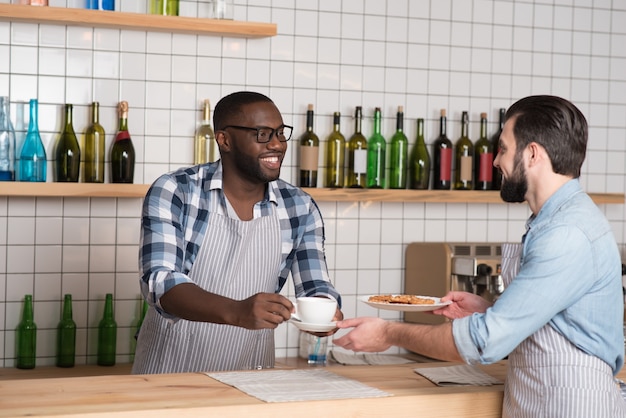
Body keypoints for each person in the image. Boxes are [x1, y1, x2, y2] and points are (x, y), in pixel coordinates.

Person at [334, 95, 626, 417]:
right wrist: (491, 311)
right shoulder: (555, 222)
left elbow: (486, 342)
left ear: (531, 154)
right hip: (544, 400)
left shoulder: (567, 233)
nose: (496, 161)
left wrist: (388, 333)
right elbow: (551, 320)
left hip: (571, 404)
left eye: (502, 148)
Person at [132, 91, 343, 374]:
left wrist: (325, 313)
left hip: (252, 376)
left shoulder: (300, 207)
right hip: (171, 374)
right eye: (263, 134)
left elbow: (316, 286)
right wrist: (237, 311)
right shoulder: (177, 191)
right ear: (225, 140)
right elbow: (161, 284)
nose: (278, 144)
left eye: (281, 133)